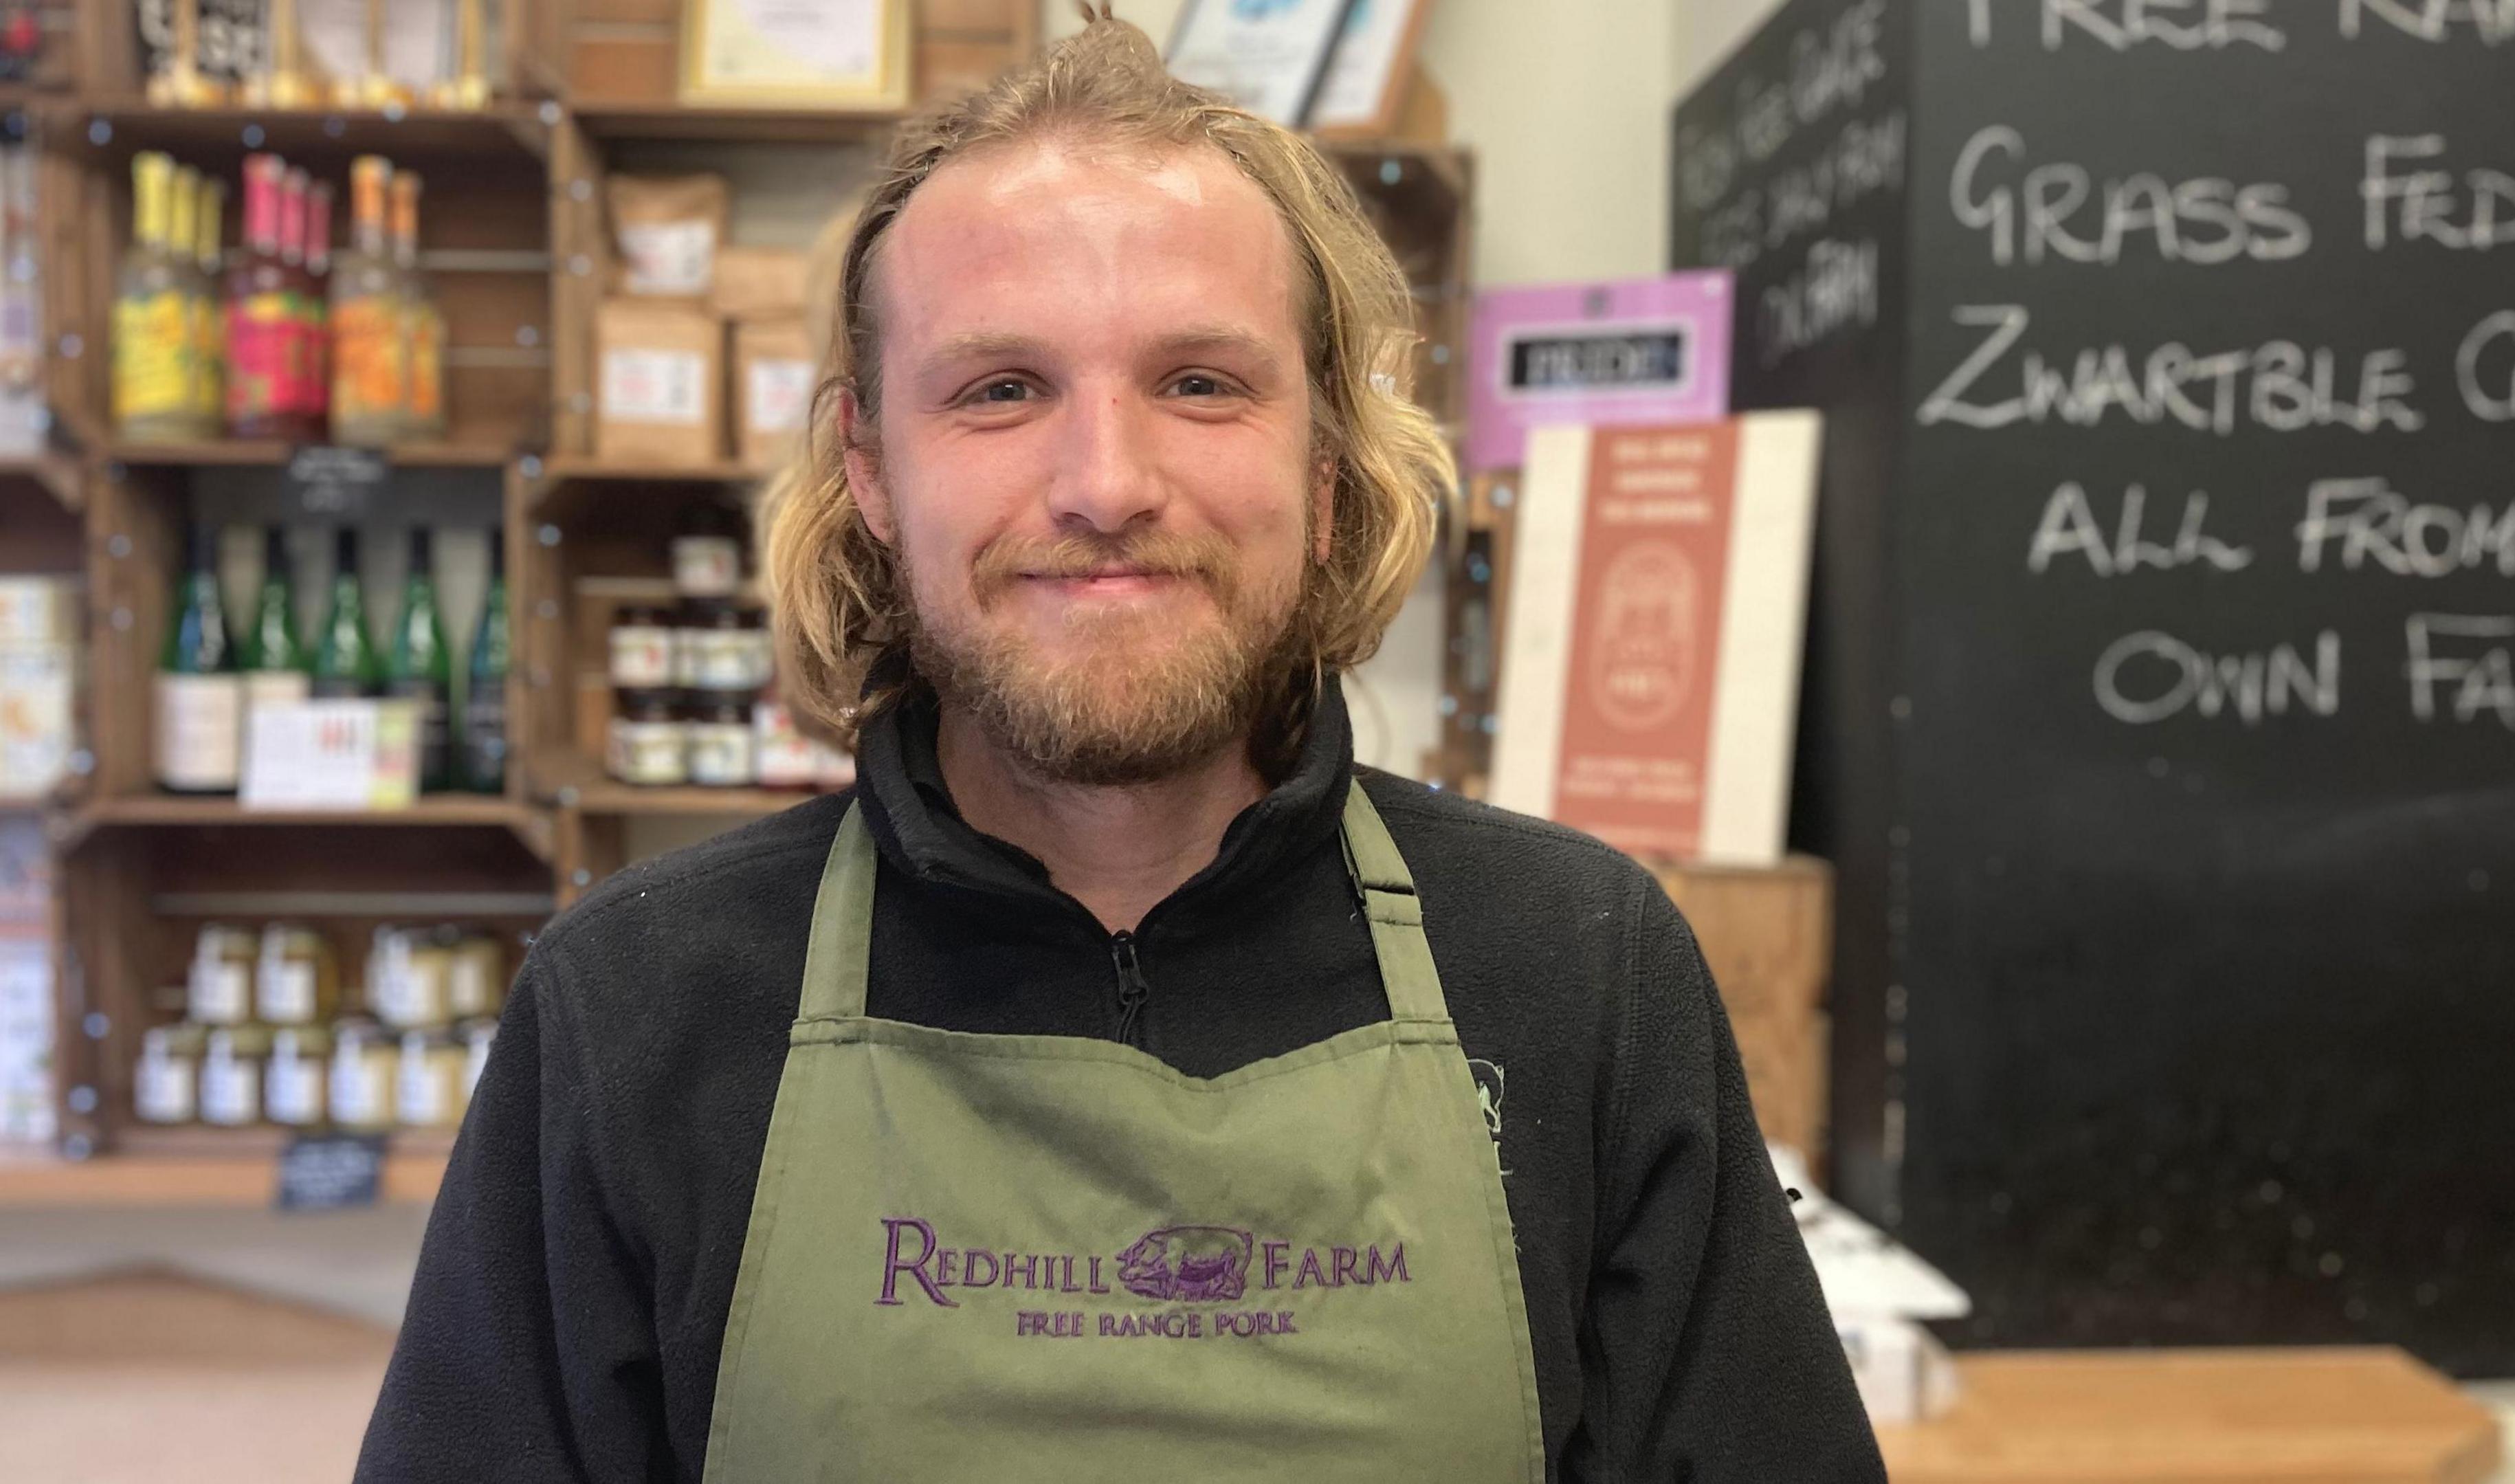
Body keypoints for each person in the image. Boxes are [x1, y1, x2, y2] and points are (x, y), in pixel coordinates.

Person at [359, 9, 1881, 1481]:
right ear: (872, 468)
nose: (1106, 481)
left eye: (1200, 383)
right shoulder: (635, 1008)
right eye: (1002, 389)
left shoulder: (1582, 969)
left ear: (1329, 473)